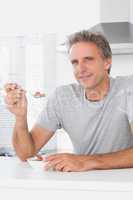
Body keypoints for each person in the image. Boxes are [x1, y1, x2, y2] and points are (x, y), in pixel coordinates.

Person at [4, 30, 133, 172]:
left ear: (107, 62)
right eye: (75, 62)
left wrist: (85, 161)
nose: (80, 69)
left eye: (88, 60)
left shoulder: (128, 89)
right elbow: (25, 152)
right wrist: (20, 117)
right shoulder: (63, 97)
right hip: (83, 183)